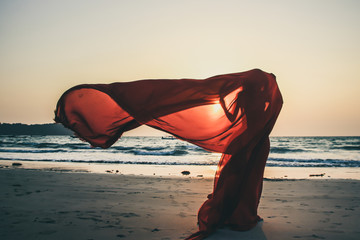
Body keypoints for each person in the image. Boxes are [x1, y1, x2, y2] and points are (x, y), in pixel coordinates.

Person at [55, 69, 282, 239]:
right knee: (241, 176)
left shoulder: (258, 91)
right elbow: (229, 108)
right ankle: (239, 214)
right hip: (253, 140)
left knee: (243, 176)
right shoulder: (263, 92)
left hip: (252, 140)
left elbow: (231, 112)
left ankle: (241, 213)